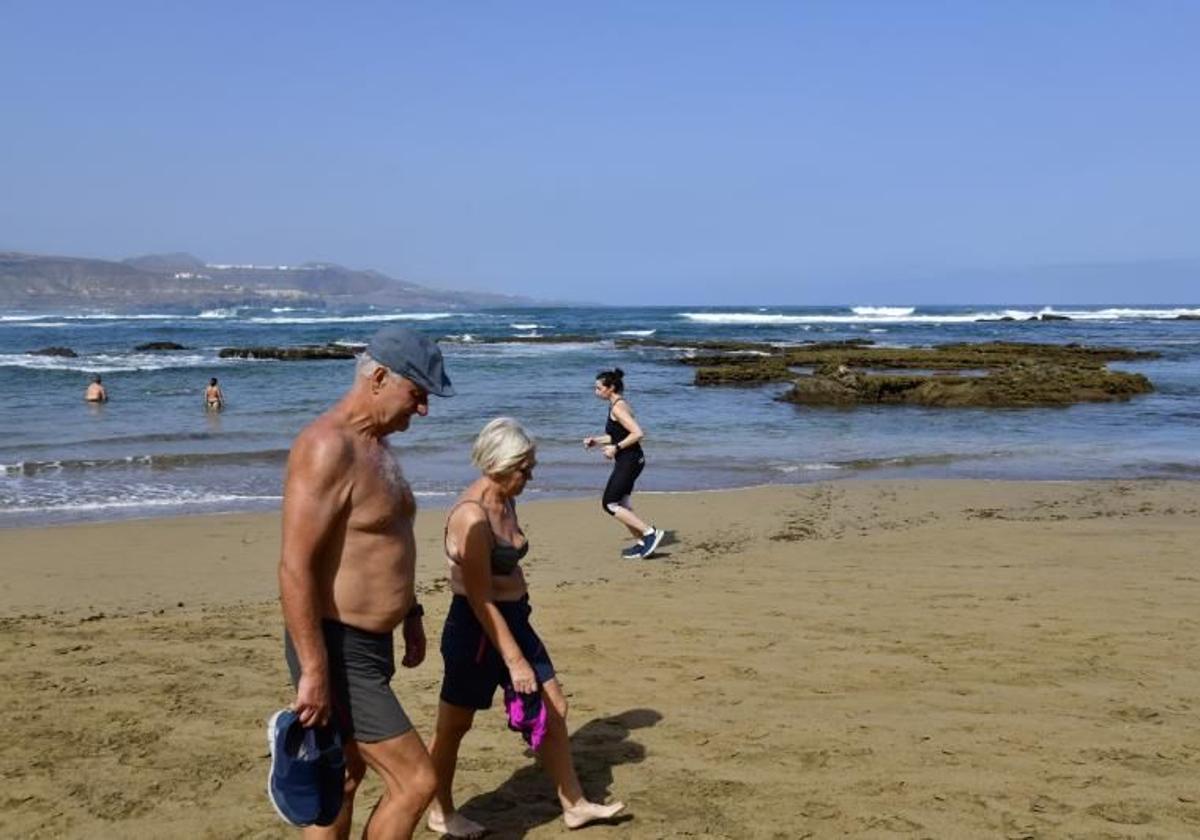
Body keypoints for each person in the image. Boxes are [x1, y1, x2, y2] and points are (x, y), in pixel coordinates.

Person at [278, 325, 454, 839]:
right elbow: (295, 566)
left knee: (345, 777)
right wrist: (314, 669)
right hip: (338, 646)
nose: (422, 410)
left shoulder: (376, 445)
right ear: (378, 377)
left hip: (370, 644)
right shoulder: (326, 446)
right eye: (417, 394)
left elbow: (383, 543)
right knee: (416, 781)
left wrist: (411, 612)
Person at [427, 418, 625, 838]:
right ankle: (440, 811)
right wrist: (515, 662)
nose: (530, 476)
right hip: (477, 632)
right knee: (454, 727)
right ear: (499, 465)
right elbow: (480, 598)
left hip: (516, 620)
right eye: (524, 469)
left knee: (555, 707)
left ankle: (574, 805)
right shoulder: (471, 516)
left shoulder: (507, 499)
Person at [583, 368, 665, 559]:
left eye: (598, 388)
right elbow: (616, 435)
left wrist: (615, 448)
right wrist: (596, 441)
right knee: (622, 503)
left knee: (609, 504)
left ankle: (650, 533)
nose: (596, 392)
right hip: (631, 460)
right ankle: (642, 543)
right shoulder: (617, 405)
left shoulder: (618, 408)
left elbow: (637, 433)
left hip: (630, 460)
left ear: (610, 388)